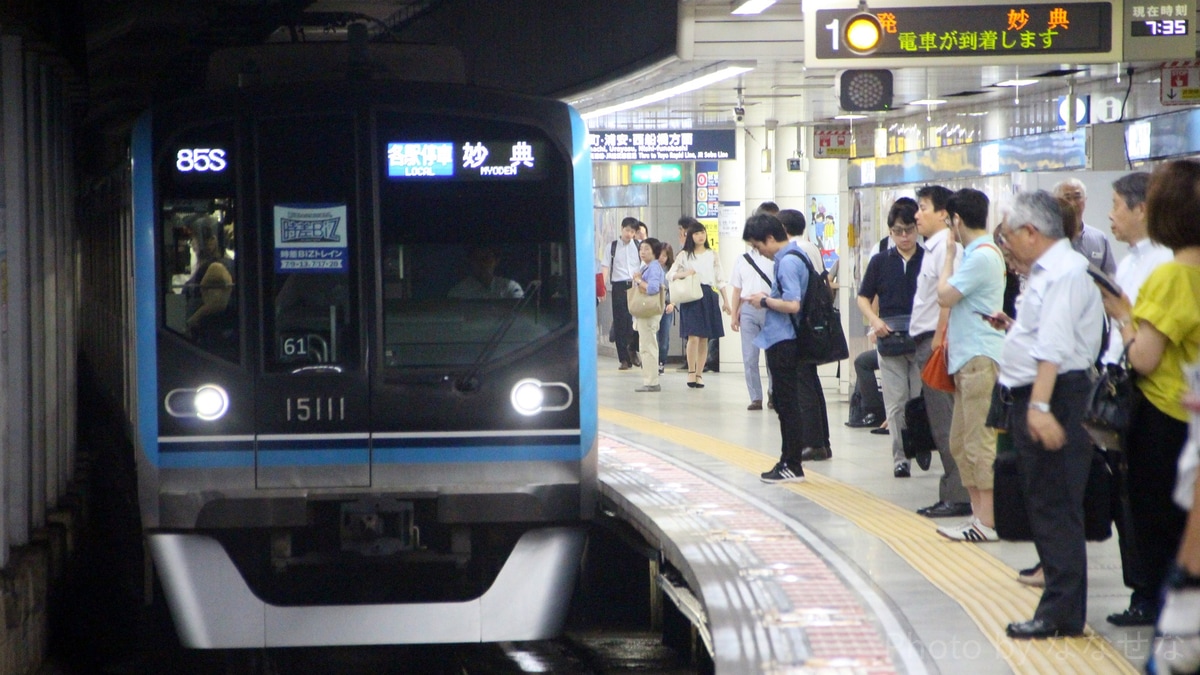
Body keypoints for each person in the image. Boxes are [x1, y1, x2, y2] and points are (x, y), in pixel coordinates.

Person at [994, 190, 1104, 640]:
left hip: (1057, 396)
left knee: (1057, 505)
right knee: (1044, 502)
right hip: (1041, 394)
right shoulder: (1045, 272)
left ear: (1030, 232)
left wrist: (1039, 406)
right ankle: (1059, 608)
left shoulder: (1065, 272)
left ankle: (1060, 613)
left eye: (1008, 235)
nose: (1006, 244)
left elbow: (1055, 347)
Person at [1100, 159, 1200, 634]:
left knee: (1160, 535)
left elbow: (1144, 358)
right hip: (1194, 417)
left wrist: (1123, 315)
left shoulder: (1172, 277)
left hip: (1163, 419)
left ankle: (1172, 634)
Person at [934, 188, 1006, 542]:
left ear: (957, 221)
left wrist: (948, 254)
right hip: (966, 360)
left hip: (980, 360)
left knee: (978, 442)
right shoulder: (978, 254)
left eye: (949, 223)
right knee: (960, 441)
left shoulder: (980, 256)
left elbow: (944, 295)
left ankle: (987, 523)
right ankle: (978, 517)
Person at [743, 213, 819, 484]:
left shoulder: (786, 262)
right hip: (785, 338)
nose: (758, 251)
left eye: (757, 245)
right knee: (787, 405)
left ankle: (792, 464)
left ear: (771, 238)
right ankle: (788, 461)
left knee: (787, 406)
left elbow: (792, 304)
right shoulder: (796, 255)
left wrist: (763, 301)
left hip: (784, 340)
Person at [910, 185, 971, 518]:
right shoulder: (933, 249)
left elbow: (949, 297)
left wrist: (938, 338)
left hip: (936, 343)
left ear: (944, 214)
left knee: (946, 421)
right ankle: (952, 491)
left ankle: (959, 496)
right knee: (939, 421)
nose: (917, 214)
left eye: (923, 208)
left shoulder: (948, 251)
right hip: (927, 340)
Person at [857, 197, 924, 477]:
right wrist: (875, 321)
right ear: (890, 231)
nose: (904, 236)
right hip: (890, 340)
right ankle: (901, 457)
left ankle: (920, 443)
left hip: (923, 341)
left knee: (919, 400)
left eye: (909, 229)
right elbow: (863, 298)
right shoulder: (880, 262)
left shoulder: (930, 260)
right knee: (896, 403)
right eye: (898, 231)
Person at [778, 208, 833, 461]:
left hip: (802, 325)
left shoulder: (792, 252)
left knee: (803, 384)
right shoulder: (811, 247)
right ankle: (823, 440)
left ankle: (813, 443)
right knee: (811, 382)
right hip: (816, 322)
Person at [670, 220, 730, 388]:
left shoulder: (713, 254)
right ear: (691, 236)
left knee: (704, 338)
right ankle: (691, 371)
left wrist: (726, 301)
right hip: (692, 296)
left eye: (702, 232)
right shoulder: (684, 255)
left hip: (709, 295)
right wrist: (685, 273)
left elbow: (720, 279)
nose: (700, 236)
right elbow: (670, 274)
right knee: (693, 336)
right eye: (696, 233)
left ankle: (699, 373)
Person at [729, 235, 775, 410]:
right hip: (747, 308)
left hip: (771, 307)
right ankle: (756, 397)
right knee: (749, 356)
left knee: (772, 355)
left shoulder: (773, 258)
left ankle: (773, 392)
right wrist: (734, 314)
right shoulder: (741, 260)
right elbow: (737, 290)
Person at [183, 218, 235, 349]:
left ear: (212, 241)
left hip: (211, 343)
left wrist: (192, 321)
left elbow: (218, 303)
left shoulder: (216, 266)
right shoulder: (207, 266)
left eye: (194, 239)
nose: (193, 245)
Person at [1053, 177, 1118, 276]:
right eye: (1067, 198)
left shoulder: (1099, 238)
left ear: (1085, 199)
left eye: (1077, 197)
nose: (1073, 203)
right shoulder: (1050, 238)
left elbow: (1110, 275)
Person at [602, 217, 642, 370]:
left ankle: (632, 349)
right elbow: (605, 266)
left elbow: (643, 265)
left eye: (632, 232)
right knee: (620, 322)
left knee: (635, 320)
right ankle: (623, 359)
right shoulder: (611, 247)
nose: (629, 234)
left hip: (636, 286)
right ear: (621, 228)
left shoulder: (638, 246)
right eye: (627, 230)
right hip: (618, 287)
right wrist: (602, 287)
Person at [631, 238, 666, 393]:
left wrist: (638, 281)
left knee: (648, 347)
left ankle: (652, 382)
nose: (642, 252)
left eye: (646, 249)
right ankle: (650, 380)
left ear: (654, 251)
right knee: (646, 346)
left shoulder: (653, 267)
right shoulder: (649, 267)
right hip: (648, 313)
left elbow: (653, 288)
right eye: (641, 249)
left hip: (648, 313)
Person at [447, 246, 524, 299]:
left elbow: (520, 315)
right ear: (471, 262)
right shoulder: (457, 292)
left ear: (496, 261)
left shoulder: (511, 288)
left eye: (486, 258)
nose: (482, 264)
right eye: (477, 259)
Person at [656, 243, 676, 375]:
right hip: (653, 305)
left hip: (667, 305)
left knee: (664, 337)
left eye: (664, 255)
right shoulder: (651, 268)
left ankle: (661, 362)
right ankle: (652, 362)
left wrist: (673, 304)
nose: (662, 258)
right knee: (652, 336)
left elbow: (676, 289)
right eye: (660, 255)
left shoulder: (672, 270)